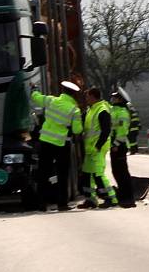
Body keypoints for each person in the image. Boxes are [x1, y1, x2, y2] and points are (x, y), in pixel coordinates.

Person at [30, 81, 83, 211]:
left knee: (43, 173)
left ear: (63, 91)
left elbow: (35, 98)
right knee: (62, 174)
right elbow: (77, 130)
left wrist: (34, 88)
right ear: (74, 95)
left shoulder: (51, 100)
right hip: (61, 144)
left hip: (46, 142)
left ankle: (41, 204)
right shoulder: (74, 110)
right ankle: (62, 204)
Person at [78, 87, 119, 209]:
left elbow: (106, 130)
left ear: (92, 96)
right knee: (86, 174)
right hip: (91, 148)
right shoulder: (91, 109)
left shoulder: (102, 110)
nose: (85, 99)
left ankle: (111, 198)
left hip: (98, 147)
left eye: (87, 97)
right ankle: (90, 199)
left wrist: (98, 146)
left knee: (99, 174)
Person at [109, 90, 136, 208]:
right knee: (116, 172)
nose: (112, 99)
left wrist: (115, 144)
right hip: (114, 146)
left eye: (115, 97)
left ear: (120, 99)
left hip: (119, 146)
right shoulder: (114, 110)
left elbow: (122, 131)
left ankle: (129, 198)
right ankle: (123, 196)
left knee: (123, 173)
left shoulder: (122, 112)